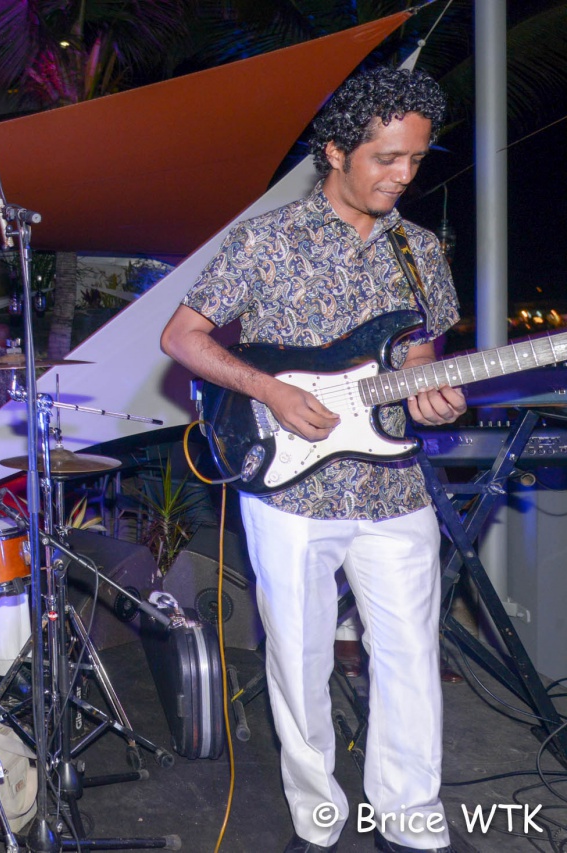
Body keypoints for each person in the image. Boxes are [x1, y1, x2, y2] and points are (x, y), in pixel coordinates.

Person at [159, 68, 464, 853]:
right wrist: (268, 389)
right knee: (298, 666)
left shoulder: (420, 249)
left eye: (414, 159)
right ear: (334, 152)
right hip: (289, 491)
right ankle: (317, 818)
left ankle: (409, 819)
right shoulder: (264, 240)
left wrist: (431, 394)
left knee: (409, 659)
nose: (402, 175)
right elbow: (181, 337)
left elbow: (417, 354)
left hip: (392, 486)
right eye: (385, 158)